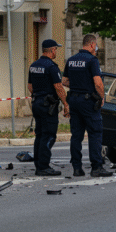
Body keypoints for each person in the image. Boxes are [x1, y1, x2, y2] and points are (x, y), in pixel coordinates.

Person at [63, 34, 110, 177]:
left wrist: (78, 84)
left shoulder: (71, 60)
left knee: (76, 135)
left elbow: (64, 81)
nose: (96, 48)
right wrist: (101, 98)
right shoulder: (92, 60)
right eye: (95, 46)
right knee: (95, 133)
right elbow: (98, 83)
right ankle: (96, 167)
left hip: (74, 101)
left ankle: (77, 168)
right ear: (91, 45)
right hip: (88, 102)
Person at [28, 39, 69, 176]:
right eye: (56, 49)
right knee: (49, 135)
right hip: (48, 106)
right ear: (52, 50)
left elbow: (30, 87)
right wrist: (66, 104)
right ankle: (44, 166)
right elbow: (58, 87)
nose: (56, 51)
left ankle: (39, 165)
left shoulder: (34, 65)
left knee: (39, 135)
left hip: (37, 103)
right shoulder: (52, 66)